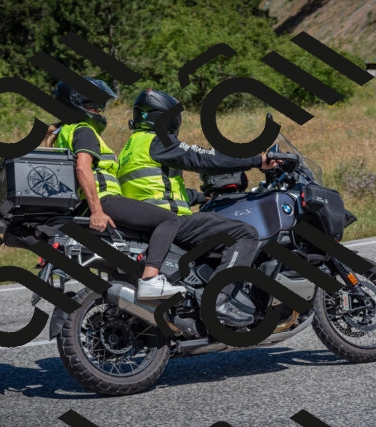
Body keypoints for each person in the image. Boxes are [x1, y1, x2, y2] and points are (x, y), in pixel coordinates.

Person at [117, 89, 278, 327]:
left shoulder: (130, 147)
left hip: (148, 219)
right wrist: (256, 160)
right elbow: (204, 159)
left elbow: (154, 186)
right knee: (245, 234)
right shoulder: (158, 140)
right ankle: (218, 301)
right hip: (171, 220)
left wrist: (200, 196)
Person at [50, 78, 186, 300]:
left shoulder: (64, 132)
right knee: (169, 220)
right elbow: (83, 168)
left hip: (82, 204)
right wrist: (97, 211)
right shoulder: (84, 130)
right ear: (77, 104)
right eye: (94, 106)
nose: (99, 112)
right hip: (104, 201)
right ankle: (150, 280)